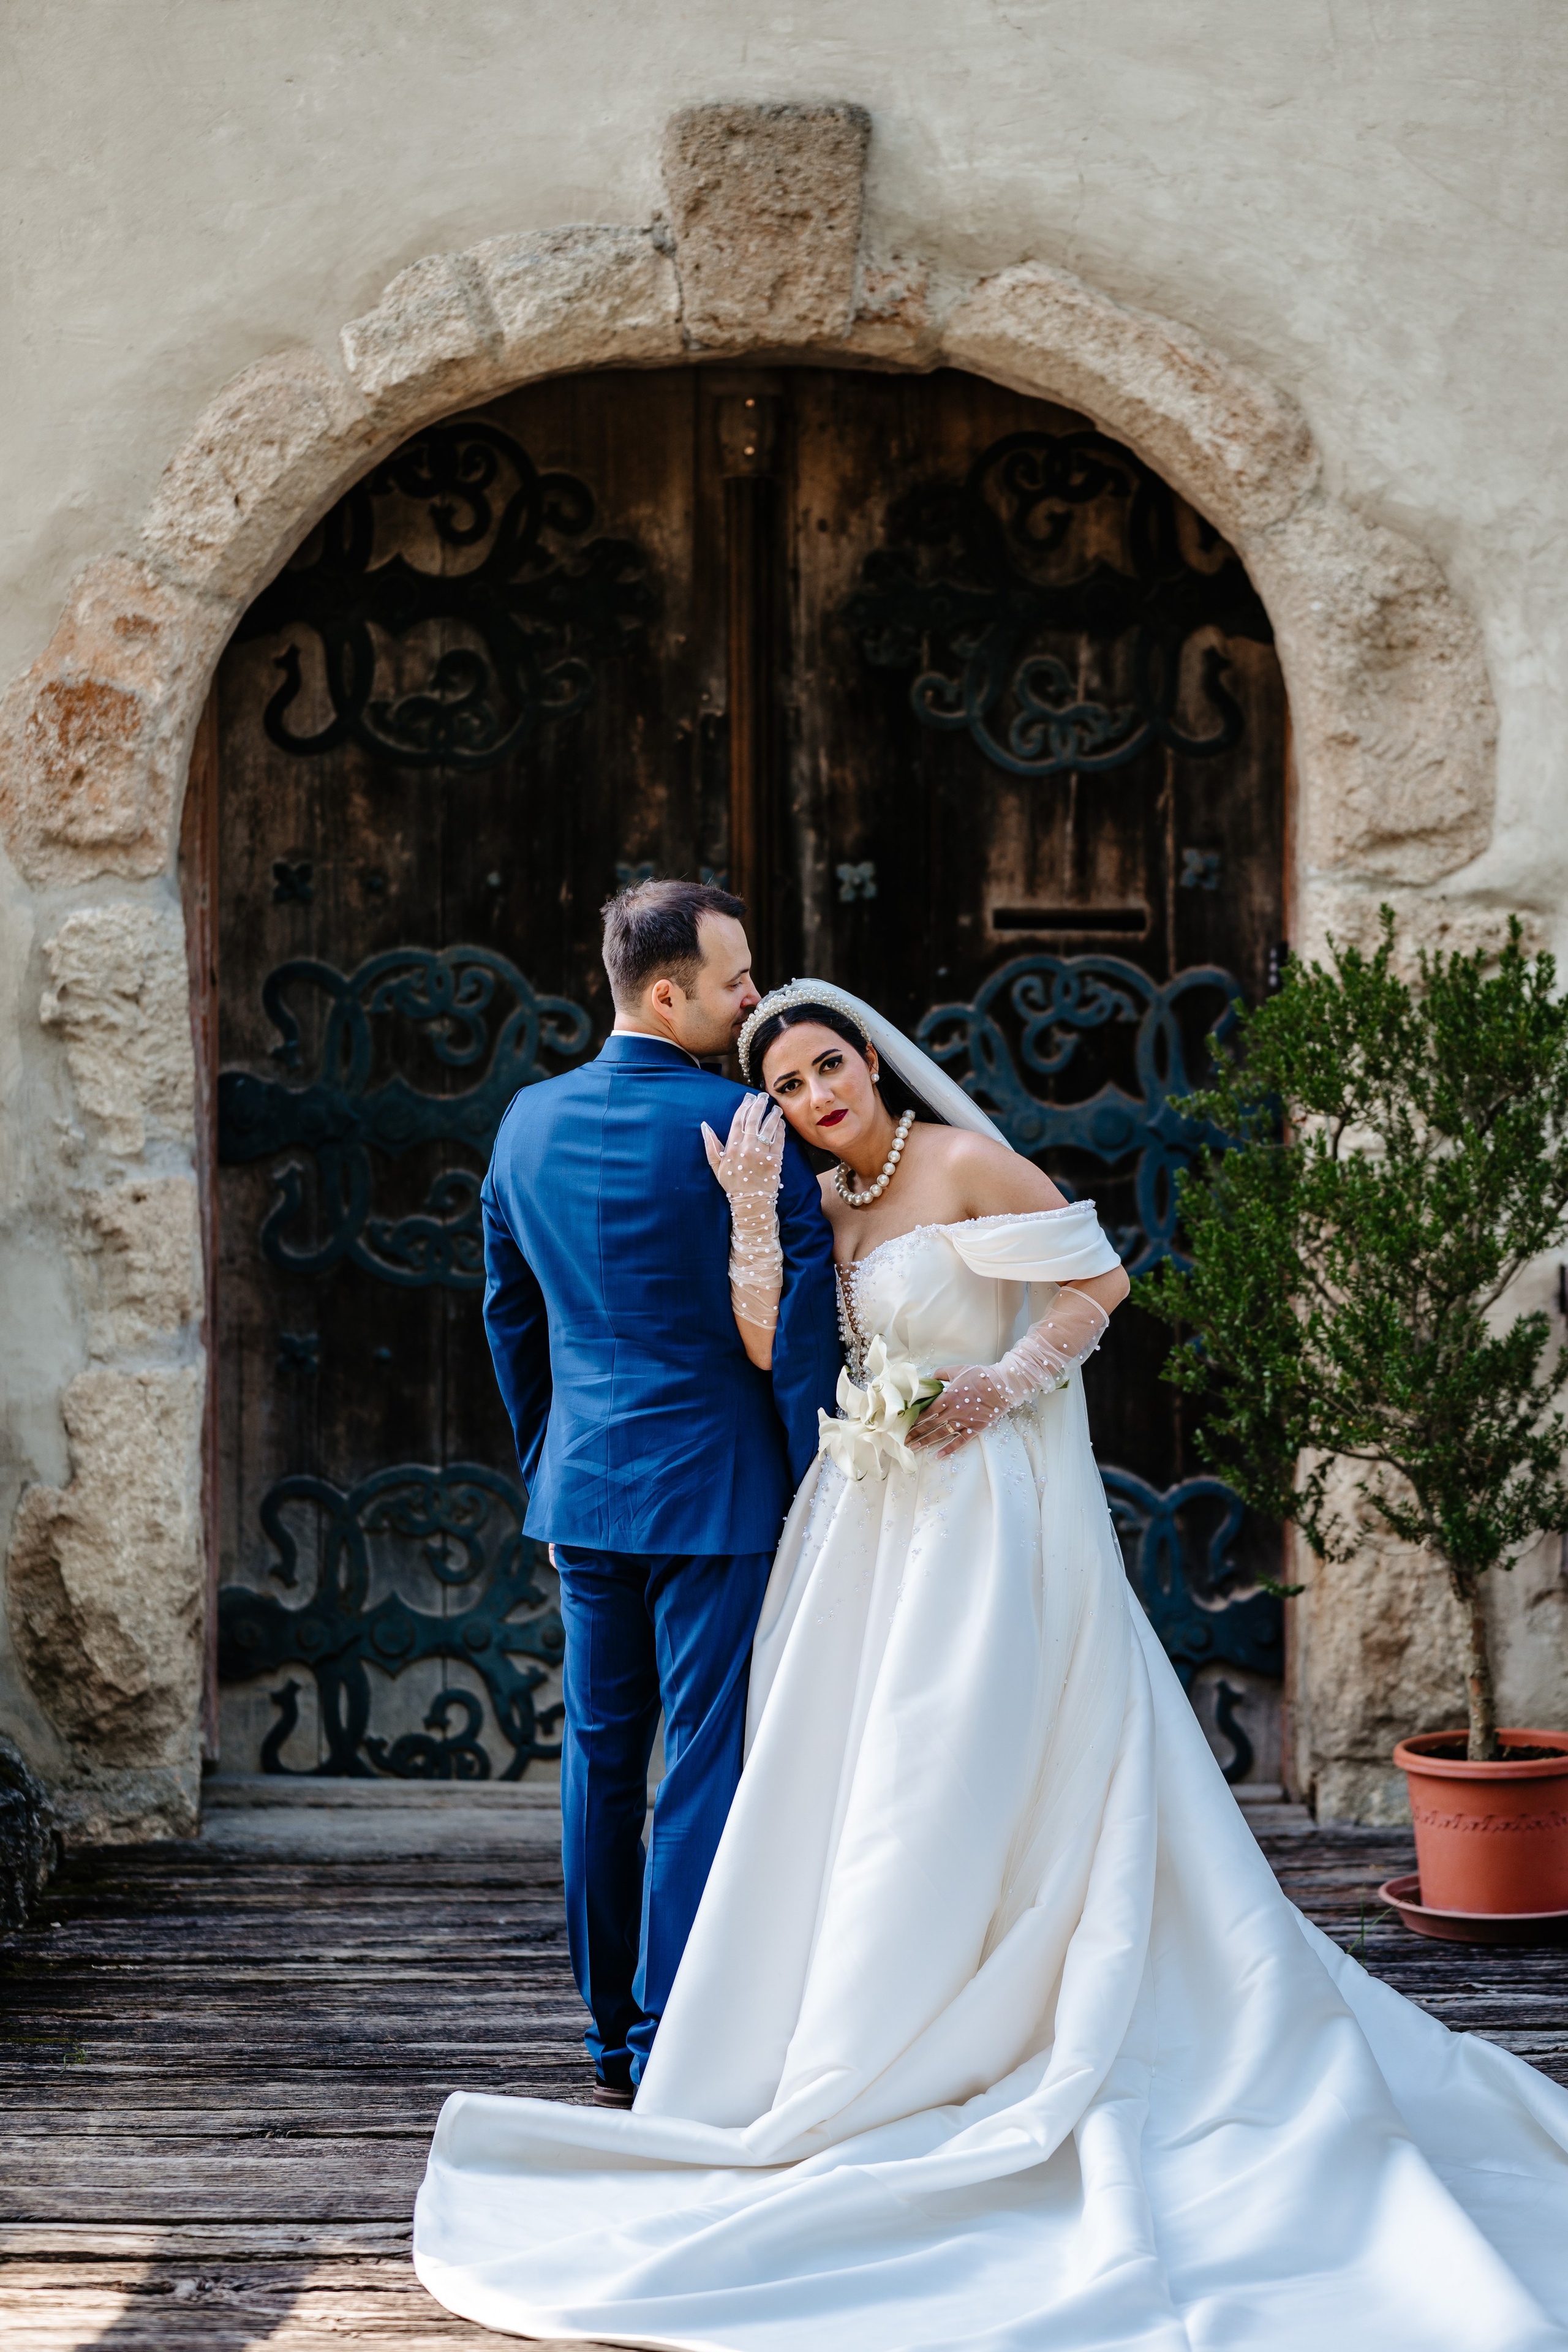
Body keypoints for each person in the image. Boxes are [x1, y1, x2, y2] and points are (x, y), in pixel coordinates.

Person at [418, 979, 1568, 2351]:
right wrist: (746, 1220)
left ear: (868, 1060)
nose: (815, 1098)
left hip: (987, 1506)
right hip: (870, 1521)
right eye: (785, 1086)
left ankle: (1011, 1996)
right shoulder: (821, 1211)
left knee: (969, 1746)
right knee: (862, 1770)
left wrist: (992, 1391)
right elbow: (770, 1349)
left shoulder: (962, 1162)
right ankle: (868, 2010)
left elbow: (1095, 1282)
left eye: (827, 1066)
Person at [477, 890, 840, 2105]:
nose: (755, 1000)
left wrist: (551, 1458)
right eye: (736, 981)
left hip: (585, 1490)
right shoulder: (748, 1121)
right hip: (723, 1492)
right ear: (668, 992)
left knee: (598, 1756)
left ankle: (606, 2041)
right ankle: (670, 2040)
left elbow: (509, 1319)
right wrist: (811, 1481)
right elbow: (795, 1338)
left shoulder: (525, 1125)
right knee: (698, 1764)